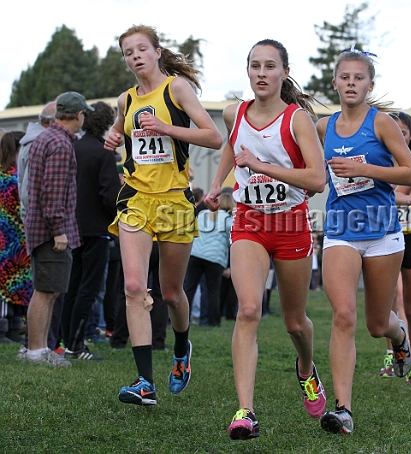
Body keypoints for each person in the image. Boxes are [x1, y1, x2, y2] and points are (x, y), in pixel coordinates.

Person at [203, 39, 326, 440]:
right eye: (255, 65)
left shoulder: (296, 120)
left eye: (269, 66)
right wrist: (217, 183)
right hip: (249, 222)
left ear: (284, 73)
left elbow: (317, 179)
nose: (261, 73)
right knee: (249, 309)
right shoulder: (232, 112)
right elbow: (230, 144)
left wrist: (263, 166)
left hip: (291, 224)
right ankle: (245, 411)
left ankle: (306, 369)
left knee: (294, 322)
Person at [104, 24, 223, 406]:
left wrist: (167, 127)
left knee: (172, 293)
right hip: (136, 198)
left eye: (141, 49)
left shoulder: (176, 89)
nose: (135, 56)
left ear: (157, 52)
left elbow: (213, 137)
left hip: (174, 199)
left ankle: (182, 348)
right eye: (128, 52)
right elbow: (124, 135)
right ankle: (144, 382)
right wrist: (112, 137)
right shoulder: (125, 100)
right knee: (135, 287)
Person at [316, 48, 411, 434]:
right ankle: (343, 409)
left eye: (358, 78)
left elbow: (410, 175)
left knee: (378, 324)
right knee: (344, 316)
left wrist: (364, 169)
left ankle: (399, 335)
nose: (351, 84)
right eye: (344, 77)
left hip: (382, 233)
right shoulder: (324, 126)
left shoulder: (383, 124)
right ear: (335, 82)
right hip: (341, 230)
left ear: (370, 84)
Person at [20, 92, 91, 366]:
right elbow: (53, 192)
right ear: (78, 115)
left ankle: (39, 348)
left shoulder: (45, 137)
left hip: (41, 227)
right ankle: (37, 351)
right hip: (51, 232)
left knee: (47, 289)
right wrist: (59, 229)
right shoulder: (60, 144)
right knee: (46, 291)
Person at [61, 101, 121, 361]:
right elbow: (109, 195)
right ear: (107, 123)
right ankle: (77, 344)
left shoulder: (72, 147)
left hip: (71, 227)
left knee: (72, 286)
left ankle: (66, 341)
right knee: (89, 287)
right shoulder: (103, 152)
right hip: (97, 228)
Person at [379, 111, 411, 383]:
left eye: (403, 132)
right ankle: (393, 354)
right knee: (390, 300)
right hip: (385, 233)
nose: (397, 136)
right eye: (393, 130)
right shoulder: (379, 160)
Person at [183, 191, 234, 328]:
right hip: (214, 258)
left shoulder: (203, 214)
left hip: (195, 254)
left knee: (189, 289)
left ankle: (182, 320)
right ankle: (213, 322)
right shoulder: (229, 220)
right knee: (213, 291)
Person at [0, 131, 32, 343]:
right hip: (11, 241)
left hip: (11, 242)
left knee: (12, 287)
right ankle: (6, 330)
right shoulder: (12, 179)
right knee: (9, 288)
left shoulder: (11, 176)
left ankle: (11, 329)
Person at [17, 102, 57, 222]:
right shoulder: (37, 143)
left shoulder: (31, 140)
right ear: (53, 122)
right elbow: (28, 191)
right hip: (40, 223)